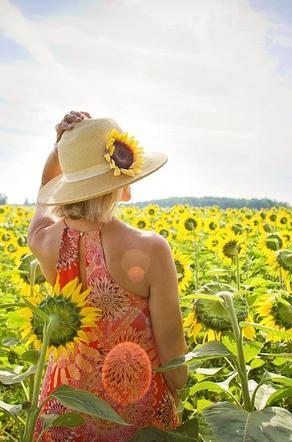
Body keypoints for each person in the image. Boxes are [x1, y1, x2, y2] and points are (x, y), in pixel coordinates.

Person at [27, 110, 188, 441]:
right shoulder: (151, 248)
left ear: (68, 184)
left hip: (64, 408)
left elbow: (43, 196)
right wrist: (178, 396)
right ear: (122, 184)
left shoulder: (44, 241)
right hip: (135, 405)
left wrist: (60, 150)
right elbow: (171, 341)